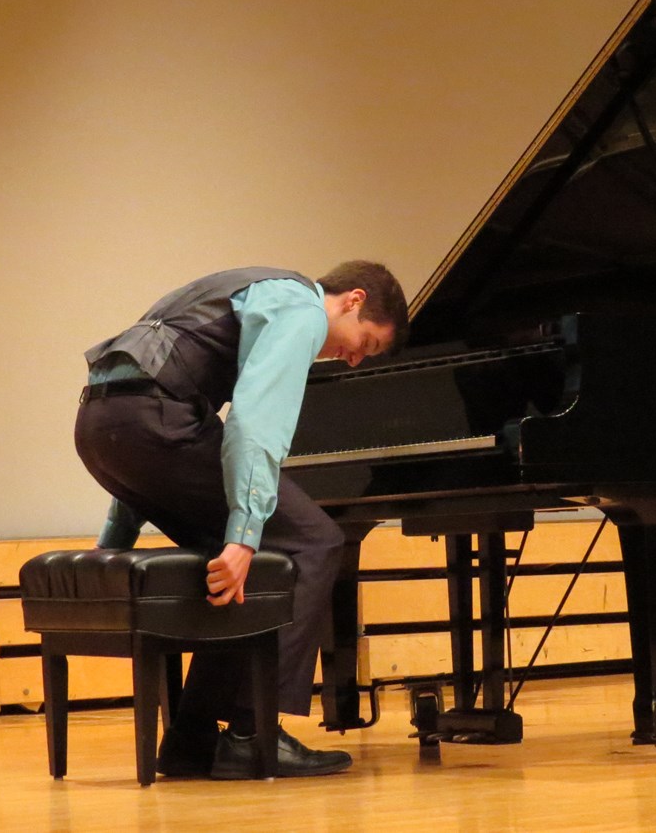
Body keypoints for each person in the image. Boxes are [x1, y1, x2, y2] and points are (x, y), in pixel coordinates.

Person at [74, 261, 408, 779]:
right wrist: (246, 534)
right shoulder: (301, 310)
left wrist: (114, 539)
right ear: (353, 300)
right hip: (154, 426)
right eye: (366, 342)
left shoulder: (252, 288)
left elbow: (142, 394)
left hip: (97, 428)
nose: (355, 359)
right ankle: (254, 733)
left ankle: (193, 741)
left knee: (242, 566)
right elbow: (253, 424)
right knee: (316, 541)